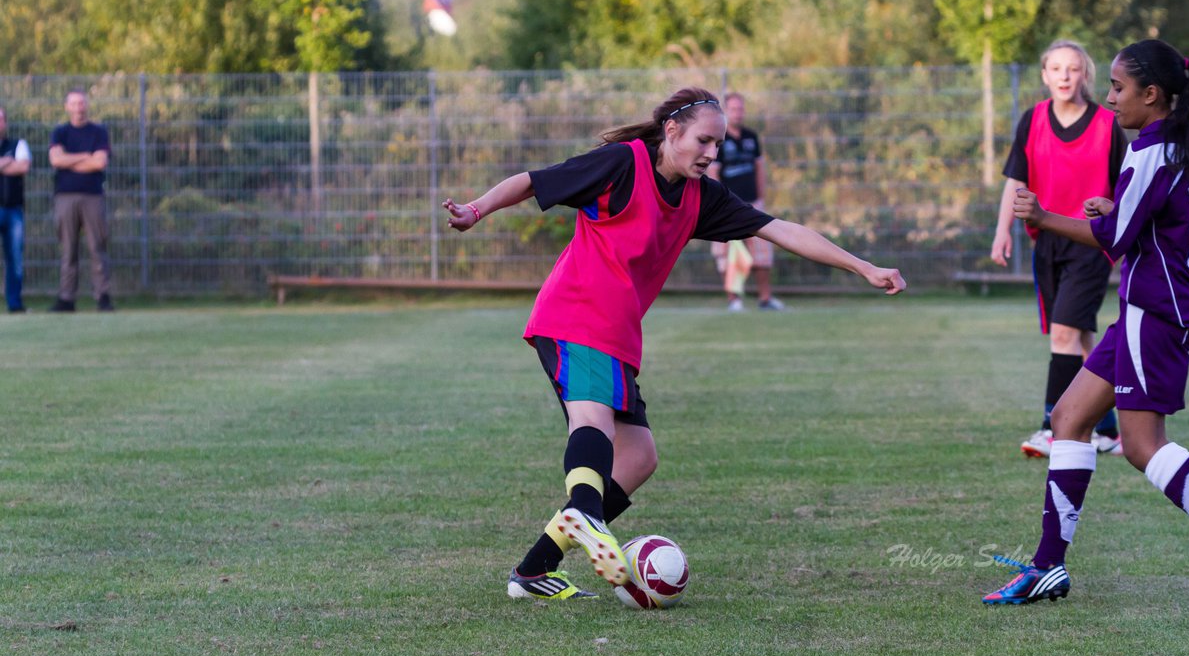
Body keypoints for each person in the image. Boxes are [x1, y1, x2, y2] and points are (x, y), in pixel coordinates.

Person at [442, 87, 906, 602]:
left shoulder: (700, 196)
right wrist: (476, 210)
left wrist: (864, 267)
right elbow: (533, 182)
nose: (711, 154)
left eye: (718, 146)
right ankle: (583, 512)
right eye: (704, 141)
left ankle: (533, 571)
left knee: (638, 457)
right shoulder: (621, 164)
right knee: (591, 420)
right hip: (574, 315)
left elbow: (781, 230)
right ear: (672, 131)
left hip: (617, 333)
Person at [982, 39, 1189, 612]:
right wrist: (1116, 209)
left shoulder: (1148, 153)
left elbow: (1113, 241)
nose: (1110, 98)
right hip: (1150, 312)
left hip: (1157, 315)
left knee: (1143, 447)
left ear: (1152, 95)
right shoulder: (1174, 149)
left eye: (1119, 88)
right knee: (1069, 418)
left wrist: (1045, 217)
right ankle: (1048, 566)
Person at [990, 41, 1128, 459]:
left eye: (1073, 68)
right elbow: (1016, 180)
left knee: (1065, 333)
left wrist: (1125, 237)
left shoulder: (1109, 124)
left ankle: (1054, 426)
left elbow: (1128, 189)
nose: (1065, 76)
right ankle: (1106, 430)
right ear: (1045, 75)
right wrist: (1002, 232)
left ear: (1085, 74)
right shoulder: (1032, 120)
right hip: (1046, 242)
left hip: (1090, 241)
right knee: (1082, 336)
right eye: (1056, 68)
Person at [708, 92, 783, 311]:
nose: (737, 113)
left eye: (740, 109)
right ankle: (735, 300)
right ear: (725, 112)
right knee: (731, 254)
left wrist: (761, 198)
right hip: (728, 207)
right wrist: (718, 202)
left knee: (763, 254)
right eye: (733, 109)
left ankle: (765, 298)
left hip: (753, 204)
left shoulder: (751, 137)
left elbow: (760, 168)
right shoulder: (719, 140)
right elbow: (713, 173)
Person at [49, 89, 113, 312]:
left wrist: (71, 161)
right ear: (67, 106)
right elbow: (56, 160)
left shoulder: (99, 132)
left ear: (87, 105)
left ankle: (103, 296)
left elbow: (100, 163)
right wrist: (86, 156)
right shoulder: (59, 132)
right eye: (74, 103)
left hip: (92, 197)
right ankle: (66, 299)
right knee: (68, 249)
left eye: (82, 103)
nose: (79, 107)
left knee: (97, 246)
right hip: (65, 198)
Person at [0, 106, 32, 313]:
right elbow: (14, 165)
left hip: (13, 211)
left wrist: (11, 163)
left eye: (1, 119)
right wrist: (5, 162)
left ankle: (14, 304)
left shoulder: (18, 144)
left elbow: (23, 167)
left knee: (15, 259)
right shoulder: (12, 152)